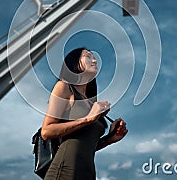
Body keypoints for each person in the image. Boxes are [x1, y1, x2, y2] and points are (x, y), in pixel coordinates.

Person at [41, 47, 128, 180]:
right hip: (64, 172)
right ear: (74, 64)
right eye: (88, 56)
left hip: (88, 174)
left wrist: (110, 138)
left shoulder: (91, 103)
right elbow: (46, 131)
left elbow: (85, 145)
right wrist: (88, 119)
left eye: (94, 57)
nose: (94, 60)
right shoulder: (64, 87)